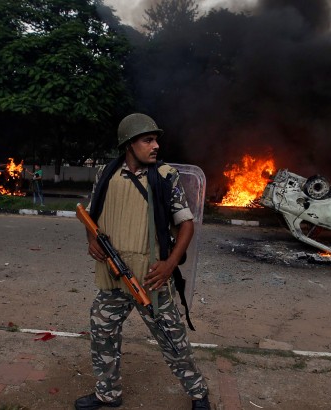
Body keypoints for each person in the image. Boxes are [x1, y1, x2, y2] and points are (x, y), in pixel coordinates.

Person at [75, 113, 210, 410]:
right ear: (128, 143)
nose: (156, 145)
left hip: (151, 279)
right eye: (148, 140)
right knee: (102, 332)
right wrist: (91, 239)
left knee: (173, 341)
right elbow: (90, 213)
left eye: (156, 139)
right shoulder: (106, 174)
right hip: (113, 278)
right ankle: (108, 394)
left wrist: (169, 264)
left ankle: (199, 394)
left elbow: (186, 225)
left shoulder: (165, 176)